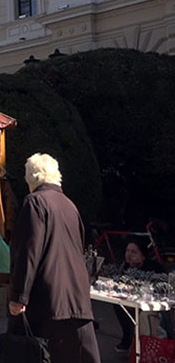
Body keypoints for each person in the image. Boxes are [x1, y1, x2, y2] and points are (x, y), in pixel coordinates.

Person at [9, 153, 99, 363]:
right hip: (76, 295)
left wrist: (19, 296)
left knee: (41, 354)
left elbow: (28, 252)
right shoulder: (70, 205)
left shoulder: (35, 203)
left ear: (31, 178)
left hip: (48, 297)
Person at [112, 236, 165, 353]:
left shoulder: (152, 268)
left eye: (134, 252)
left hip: (153, 304)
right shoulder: (125, 265)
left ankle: (146, 346)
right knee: (118, 304)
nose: (129, 255)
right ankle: (127, 339)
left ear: (143, 256)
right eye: (127, 251)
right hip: (133, 300)